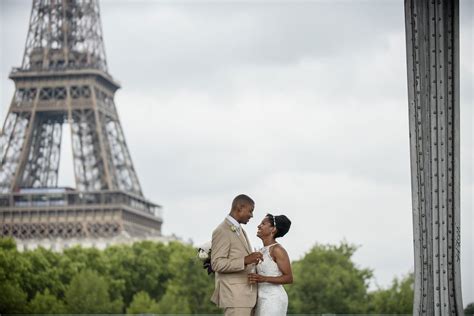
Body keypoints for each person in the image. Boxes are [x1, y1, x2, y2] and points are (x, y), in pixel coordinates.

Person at [210, 194, 264, 316]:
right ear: (239, 208)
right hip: (235, 297)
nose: (252, 215)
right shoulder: (222, 230)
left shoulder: (240, 230)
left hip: (246, 297)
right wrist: (245, 260)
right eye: (250, 211)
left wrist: (252, 262)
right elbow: (217, 263)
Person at [247, 213, 293, 316]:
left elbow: (289, 278)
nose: (258, 226)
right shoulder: (260, 251)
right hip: (260, 299)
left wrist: (263, 278)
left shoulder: (278, 250)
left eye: (263, 223)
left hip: (274, 300)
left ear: (273, 229)